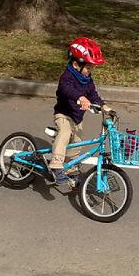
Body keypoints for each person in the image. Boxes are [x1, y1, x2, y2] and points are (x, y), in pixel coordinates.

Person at [49, 37, 111, 185]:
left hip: (77, 118)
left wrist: (103, 106)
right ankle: (56, 165)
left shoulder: (86, 79)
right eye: (88, 67)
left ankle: (70, 168)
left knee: (77, 142)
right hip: (64, 114)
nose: (90, 71)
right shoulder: (67, 77)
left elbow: (93, 94)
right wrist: (80, 97)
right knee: (64, 133)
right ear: (76, 64)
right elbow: (66, 89)